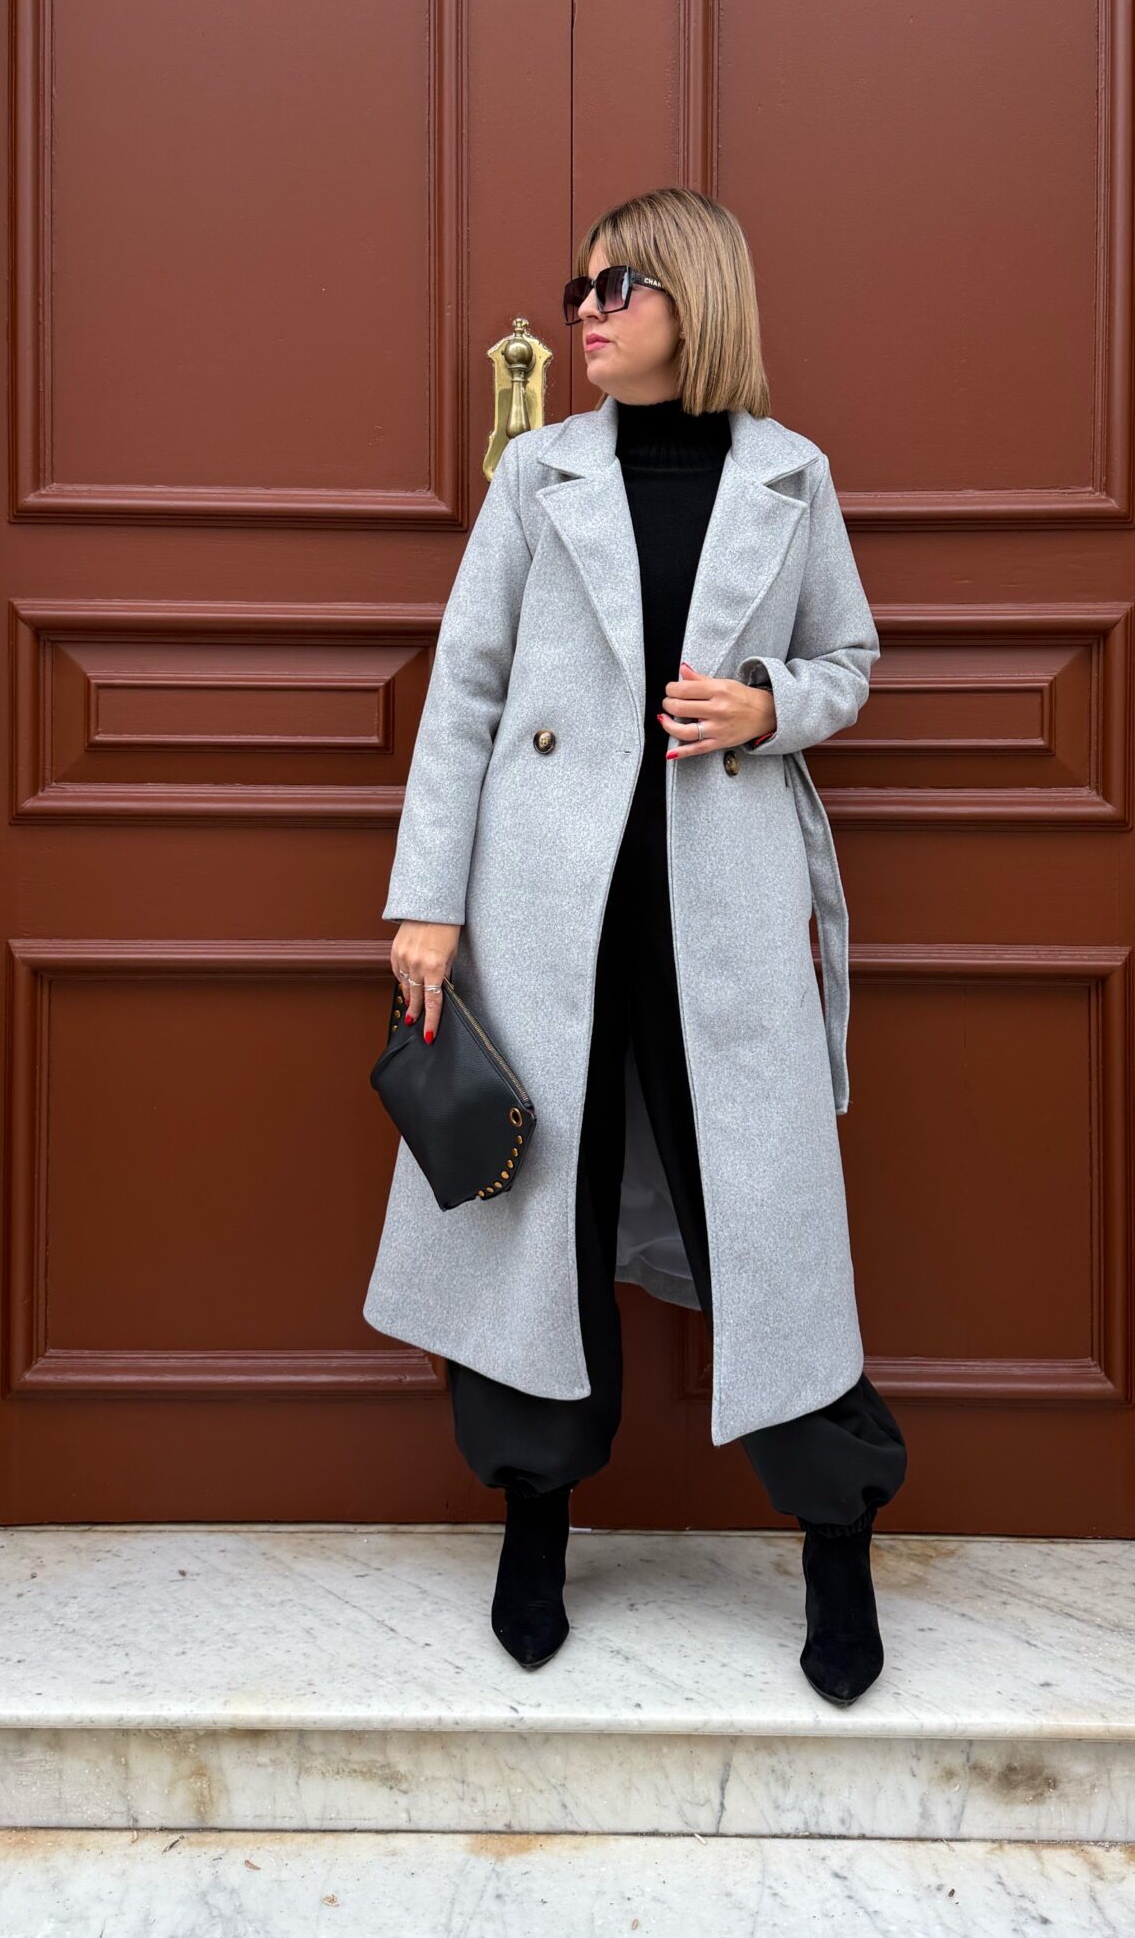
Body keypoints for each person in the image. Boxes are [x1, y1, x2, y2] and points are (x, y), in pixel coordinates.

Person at [371, 186, 906, 1703]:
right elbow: (466, 692)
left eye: (618, 288)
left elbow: (850, 659)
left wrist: (767, 706)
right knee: (541, 1217)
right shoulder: (536, 474)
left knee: (768, 1226)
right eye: (582, 289)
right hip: (550, 913)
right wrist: (428, 901)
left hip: (723, 913)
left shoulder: (791, 474)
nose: (586, 315)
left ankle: (836, 1538)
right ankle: (534, 1523)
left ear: (697, 299)